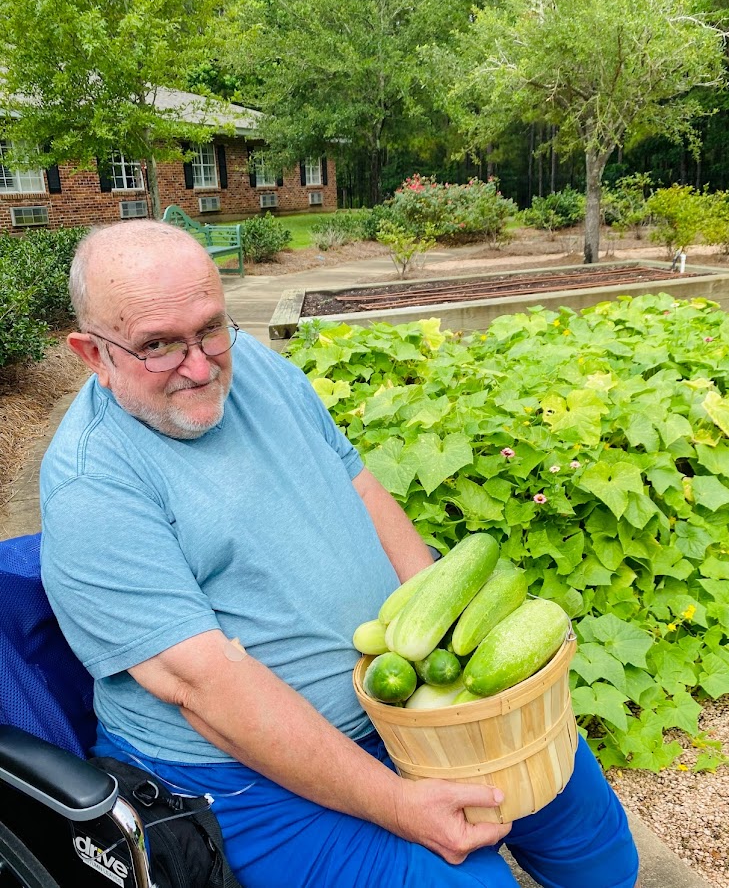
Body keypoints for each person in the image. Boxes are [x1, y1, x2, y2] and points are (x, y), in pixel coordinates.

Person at [40, 220, 640, 888]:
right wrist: (400, 805)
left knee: (596, 845)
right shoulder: (91, 486)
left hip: (400, 699)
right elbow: (205, 688)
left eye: (210, 328)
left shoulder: (253, 366)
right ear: (94, 355)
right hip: (239, 775)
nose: (201, 366)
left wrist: (452, 653)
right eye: (158, 345)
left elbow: (360, 485)